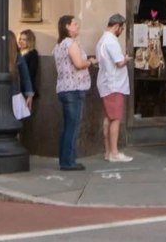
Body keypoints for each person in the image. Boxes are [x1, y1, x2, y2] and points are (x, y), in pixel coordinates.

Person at [54, 14, 94, 171]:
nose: (78, 26)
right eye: (75, 24)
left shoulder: (59, 45)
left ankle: (64, 159)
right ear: (67, 27)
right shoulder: (71, 44)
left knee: (68, 126)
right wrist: (89, 62)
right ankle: (68, 161)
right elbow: (78, 64)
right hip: (74, 89)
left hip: (64, 88)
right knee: (73, 126)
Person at [94, 13, 132, 164]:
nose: (121, 31)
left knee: (108, 118)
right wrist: (127, 59)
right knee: (115, 118)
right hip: (114, 84)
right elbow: (119, 63)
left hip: (105, 83)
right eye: (121, 28)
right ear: (116, 26)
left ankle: (108, 151)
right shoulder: (112, 41)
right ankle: (114, 152)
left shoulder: (101, 41)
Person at [18, 30, 40, 109]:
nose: (21, 41)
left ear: (30, 41)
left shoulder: (33, 53)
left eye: (24, 39)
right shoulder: (18, 52)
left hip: (26, 89)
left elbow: (31, 73)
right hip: (17, 88)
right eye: (20, 39)